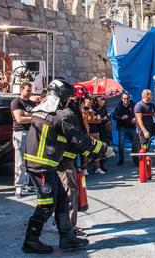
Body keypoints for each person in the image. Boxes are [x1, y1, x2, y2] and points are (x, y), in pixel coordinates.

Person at [22, 79, 114, 254]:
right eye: (68, 97)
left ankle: (67, 237)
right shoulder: (60, 115)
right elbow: (79, 140)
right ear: (62, 97)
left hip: (43, 164)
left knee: (63, 200)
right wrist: (104, 149)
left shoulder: (41, 111)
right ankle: (31, 240)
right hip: (42, 165)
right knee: (46, 204)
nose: (69, 101)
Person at [57, 88, 89, 236]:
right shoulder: (69, 113)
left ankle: (65, 224)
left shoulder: (72, 110)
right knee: (70, 190)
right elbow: (76, 136)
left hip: (66, 156)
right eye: (83, 101)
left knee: (69, 190)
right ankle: (68, 227)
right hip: (64, 158)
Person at [10, 82, 36, 198]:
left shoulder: (31, 103)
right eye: (27, 90)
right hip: (20, 133)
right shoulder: (17, 102)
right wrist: (33, 117)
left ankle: (26, 185)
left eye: (31, 91)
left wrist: (29, 115)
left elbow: (36, 115)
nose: (30, 93)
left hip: (31, 133)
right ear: (21, 90)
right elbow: (20, 119)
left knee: (28, 161)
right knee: (20, 161)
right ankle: (18, 187)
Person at [81, 96, 105, 175]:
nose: (91, 101)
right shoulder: (82, 108)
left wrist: (92, 118)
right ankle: (84, 169)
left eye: (92, 99)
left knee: (97, 150)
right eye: (89, 99)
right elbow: (86, 120)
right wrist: (92, 117)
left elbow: (99, 120)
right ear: (85, 99)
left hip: (96, 132)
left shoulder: (94, 107)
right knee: (87, 151)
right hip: (87, 133)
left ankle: (97, 168)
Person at [113, 92, 137, 165]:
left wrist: (135, 118)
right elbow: (114, 116)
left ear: (129, 98)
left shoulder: (133, 104)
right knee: (121, 144)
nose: (126, 100)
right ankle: (121, 160)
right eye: (124, 98)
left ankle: (136, 159)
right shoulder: (119, 105)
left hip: (131, 127)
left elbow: (138, 113)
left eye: (127, 98)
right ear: (122, 99)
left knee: (136, 143)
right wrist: (121, 117)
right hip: (122, 127)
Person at [95, 95, 112, 172]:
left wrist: (107, 119)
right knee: (99, 148)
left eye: (103, 100)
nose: (102, 101)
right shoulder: (95, 110)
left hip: (105, 131)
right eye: (100, 100)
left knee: (105, 148)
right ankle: (98, 166)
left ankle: (102, 165)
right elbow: (95, 120)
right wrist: (102, 119)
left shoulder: (104, 109)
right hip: (98, 130)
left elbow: (107, 119)